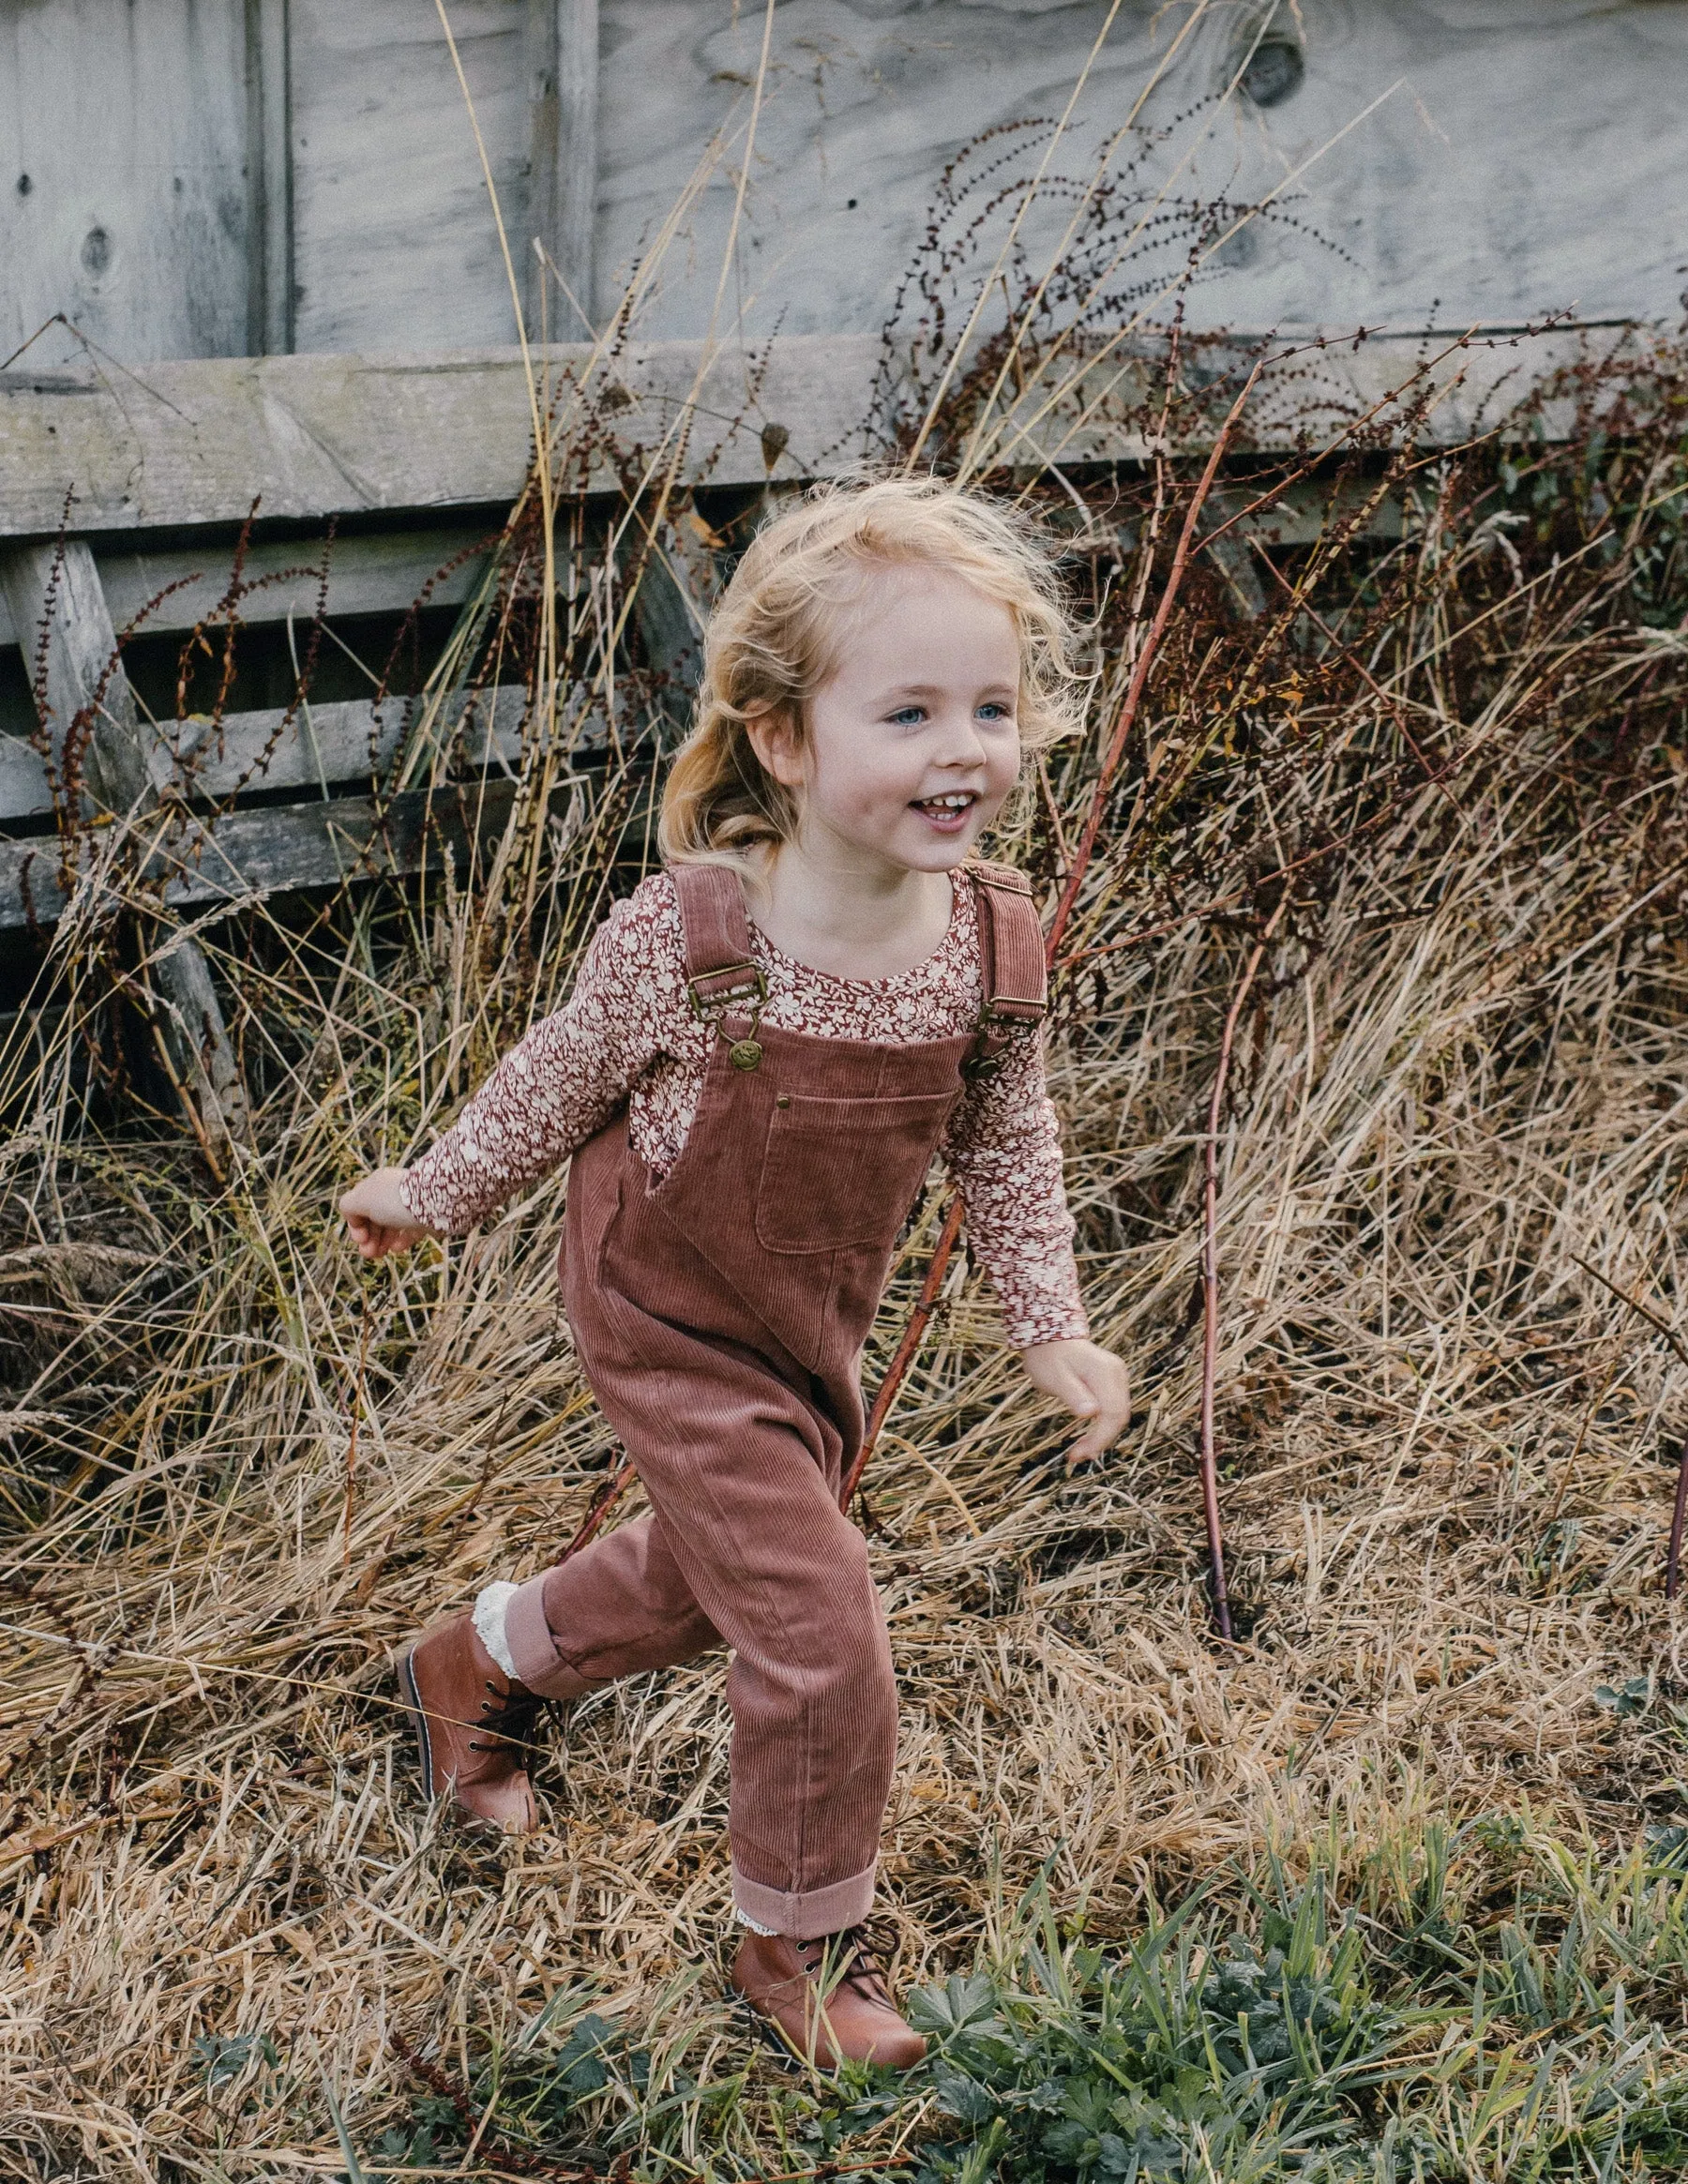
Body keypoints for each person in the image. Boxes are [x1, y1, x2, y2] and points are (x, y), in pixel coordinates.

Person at [339, 475, 1130, 2071]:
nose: (962, 748)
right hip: (666, 1317)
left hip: (807, 1328)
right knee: (820, 1630)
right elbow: (556, 1080)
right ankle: (798, 1946)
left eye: (993, 705)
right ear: (785, 737)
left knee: (716, 1580)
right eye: (907, 711)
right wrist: (432, 1192)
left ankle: (473, 1661)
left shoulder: (986, 945)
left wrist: (1052, 1325)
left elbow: (1006, 1143)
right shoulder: (696, 938)